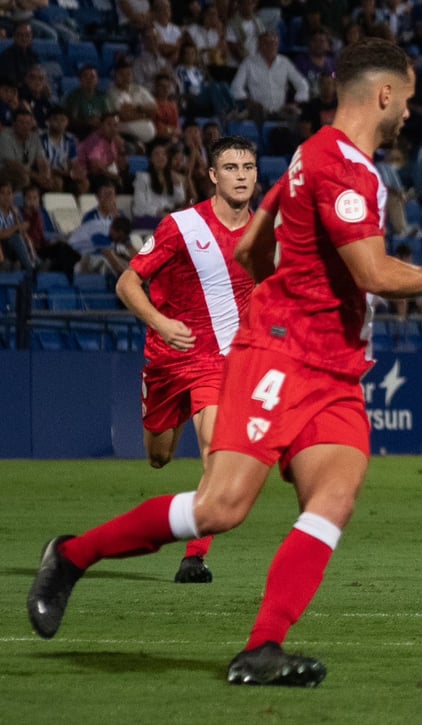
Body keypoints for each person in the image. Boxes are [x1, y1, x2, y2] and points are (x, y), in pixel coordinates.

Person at [27, 38, 422, 688]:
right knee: (220, 508)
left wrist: (291, 283)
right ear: (383, 94)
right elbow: (374, 271)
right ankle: (70, 556)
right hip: (283, 359)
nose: (409, 112)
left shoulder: (308, 156)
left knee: (335, 496)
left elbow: (253, 250)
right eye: (406, 99)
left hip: (335, 370)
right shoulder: (345, 168)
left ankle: (263, 647)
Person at [113, 135, 260, 584]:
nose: (241, 175)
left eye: (248, 167)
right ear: (213, 176)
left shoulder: (266, 234)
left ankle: (194, 556)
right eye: (231, 168)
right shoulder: (182, 226)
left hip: (220, 362)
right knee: (158, 457)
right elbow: (126, 285)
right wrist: (160, 323)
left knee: (218, 449)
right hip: (168, 355)